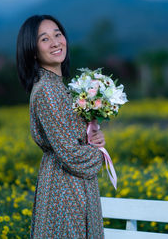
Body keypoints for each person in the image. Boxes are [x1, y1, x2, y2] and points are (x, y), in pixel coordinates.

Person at [16, 14, 106, 238]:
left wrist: (94, 137)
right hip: (64, 190)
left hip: (71, 184)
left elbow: (72, 140)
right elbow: (70, 153)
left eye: (58, 34)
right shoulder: (47, 89)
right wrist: (100, 155)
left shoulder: (58, 86)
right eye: (44, 39)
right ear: (32, 50)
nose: (56, 42)